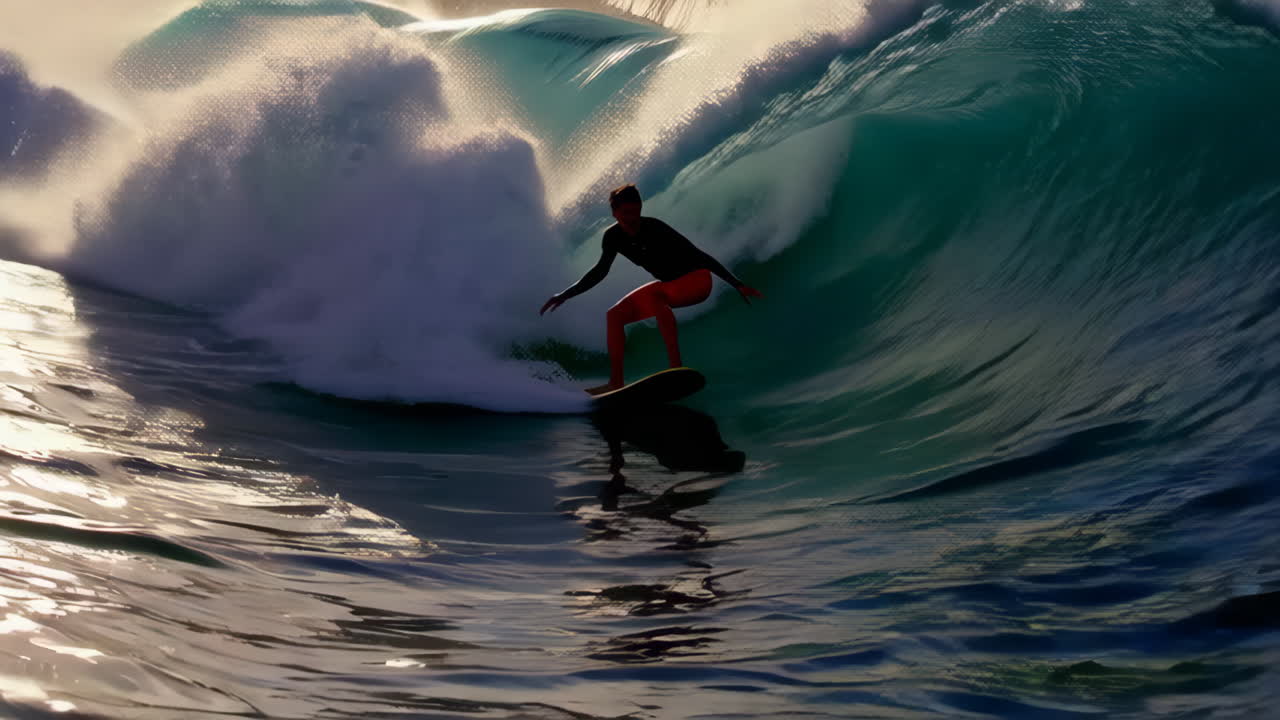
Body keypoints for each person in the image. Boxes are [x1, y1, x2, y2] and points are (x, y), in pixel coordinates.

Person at [540, 184, 763, 395]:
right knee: (614, 315)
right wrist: (565, 295)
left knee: (657, 295)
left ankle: (676, 368)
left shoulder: (654, 227)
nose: (632, 218)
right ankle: (615, 383)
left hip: (697, 279)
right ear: (615, 213)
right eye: (626, 213)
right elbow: (600, 271)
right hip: (668, 286)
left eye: (636, 212)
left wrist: (737, 284)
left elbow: (699, 256)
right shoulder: (613, 237)